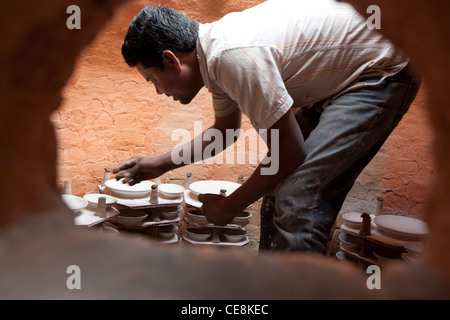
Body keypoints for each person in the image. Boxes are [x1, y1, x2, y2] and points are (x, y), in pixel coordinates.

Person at [114, 0, 421, 254]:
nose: (158, 90)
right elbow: (225, 131)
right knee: (276, 190)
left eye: (153, 80)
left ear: (171, 60)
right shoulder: (213, 56)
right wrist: (159, 164)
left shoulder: (230, 55)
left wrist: (229, 207)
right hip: (344, 80)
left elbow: (289, 152)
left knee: (299, 198)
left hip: (381, 70)